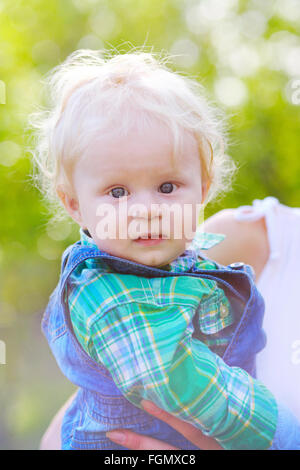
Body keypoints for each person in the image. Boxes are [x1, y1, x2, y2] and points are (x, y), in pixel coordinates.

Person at [31, 49, 299, 450]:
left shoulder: (190, 264)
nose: (147, 210)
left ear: (204, 188)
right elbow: (168, 374)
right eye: (117, 192)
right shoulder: (105, 291)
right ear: (74, 204)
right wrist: (281, 435)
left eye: (168, 187)